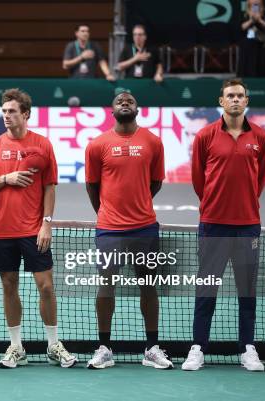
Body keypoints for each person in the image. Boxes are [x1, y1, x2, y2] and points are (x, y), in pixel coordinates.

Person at [0, 88, 77, 369]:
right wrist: (6, 178)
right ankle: (16, 346)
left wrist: (46, 223)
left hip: (34, 230)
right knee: (9, 286)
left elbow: (49, 187)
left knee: (46, 287)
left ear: (26, 114)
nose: (6, 116)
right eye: (4, 111)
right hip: (3, 231)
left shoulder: (43, 145)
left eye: (12, 111)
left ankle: (53, 344)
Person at [182, 79, 265, 372]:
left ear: (246, 101)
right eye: (230, 96)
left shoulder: (261, 137)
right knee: (207, 288)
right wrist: (212, 203)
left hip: (248, 226)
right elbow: (198, 180)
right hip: (213, 225)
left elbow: (258, 181)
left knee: (247, 289)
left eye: (240, 96)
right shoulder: (206, 135)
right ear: (221, 101)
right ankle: (198, 348)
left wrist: (245, 204)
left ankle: (248, 348)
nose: (235, 100)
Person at [84, 91, 171, 370]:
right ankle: (104, 348)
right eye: (120, 101)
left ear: (137, 108)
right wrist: (108, 212)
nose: (125, 103)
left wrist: (138, 206)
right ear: (112, 110)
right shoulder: (97, 145)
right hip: (109, 230)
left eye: (130, 101)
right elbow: (92, 186)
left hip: (145, 227)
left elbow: (155, 182)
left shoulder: (153, 142)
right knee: (106, 285)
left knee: (149, 285)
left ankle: (152, 348)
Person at [166, 108, 220, 183]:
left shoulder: (229, 172)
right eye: (187, 134)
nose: (190, 141)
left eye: (196, 135)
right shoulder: (173, 175)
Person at [238, 0, 265, 77]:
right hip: (247, 43)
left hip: (262, 42)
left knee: (262, 51)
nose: (255, 1)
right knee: (247, 46)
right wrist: (251, 20)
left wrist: (259, 20)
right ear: (248, 2)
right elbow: (241, 28)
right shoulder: (243, 14)